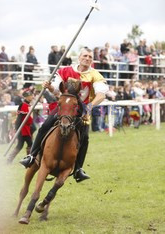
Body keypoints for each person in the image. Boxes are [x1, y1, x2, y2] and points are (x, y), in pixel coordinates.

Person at [20, 48, 108, 182]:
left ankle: (78, 169)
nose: (87, 58)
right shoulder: (65, 70)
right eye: (85, 55)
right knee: (45, 126)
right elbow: (56, 89)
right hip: (64, 108)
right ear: (79, 58)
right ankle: (31, 156)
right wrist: (49, 87)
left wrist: (89, 107)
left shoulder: (96, 75)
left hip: (81, 110)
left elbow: (101, 94)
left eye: (90, 56)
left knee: (85, 139)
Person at [7, 89, 34, 164]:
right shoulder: (23, 105)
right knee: (30, 144)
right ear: (27, 97)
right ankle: (28, 160)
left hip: (26, 128)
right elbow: (19, 118)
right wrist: (17, 128)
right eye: (31, 95)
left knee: (20, 145)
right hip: (23, 129)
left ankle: (9, 160)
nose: (32, 97)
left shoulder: (27, 105)